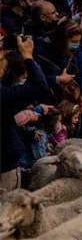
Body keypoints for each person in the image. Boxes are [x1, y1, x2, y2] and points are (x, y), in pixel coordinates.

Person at [1, 35, 50, 191]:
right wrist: (27, 55)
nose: (2, 54)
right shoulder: (3, 96)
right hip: (4, 168)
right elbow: (39, 85)